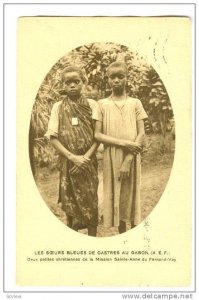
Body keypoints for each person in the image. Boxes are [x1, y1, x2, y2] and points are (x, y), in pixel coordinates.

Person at [45, 66, 100, 236]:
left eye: (76, 81)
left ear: (83, 82)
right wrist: (72, 157)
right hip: (68, 164)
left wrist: (84, 158)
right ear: (63, 84)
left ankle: (92, 238)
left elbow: (98, 137)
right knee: (70, 205)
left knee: (91, 202)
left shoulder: (92, 105)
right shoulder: (58, 107)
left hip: (88, 163)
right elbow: (52, 137)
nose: (72, 85)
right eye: (68, 82)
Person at [94, 61, 148, 234]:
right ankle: (123, 235)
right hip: (111, 156)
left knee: (131, 197)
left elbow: (141, 133)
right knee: (117, 196)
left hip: (132, 156)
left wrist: (129, 157)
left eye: (120, 76)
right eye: (112, 77)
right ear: (107, 79)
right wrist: (125, 144)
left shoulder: (135, 103)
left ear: (127, 78)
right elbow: (98, 135)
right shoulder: (101, 104)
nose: (116, 80)